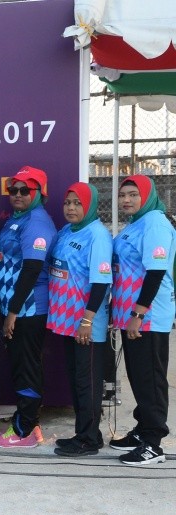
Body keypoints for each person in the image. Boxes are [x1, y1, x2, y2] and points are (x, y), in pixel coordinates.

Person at [108, 174, 176, 466]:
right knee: (138, 376)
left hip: (147, 316)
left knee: (150, 379)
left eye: (133, 194)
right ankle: (142, 428)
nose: (126, 200)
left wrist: (138, 313)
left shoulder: (155, 223)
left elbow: (155, 272)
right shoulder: (136, 223)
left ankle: (153, 443)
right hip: (131, 316)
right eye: (123, 195)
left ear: (147, 196)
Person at [0, 166, 56, 448]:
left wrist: (13, 312)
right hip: (14, 310)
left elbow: (31, 270)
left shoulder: (37, 222)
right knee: (22, 367)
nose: (17, 194)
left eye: (25, 190)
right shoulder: (18, 218)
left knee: (26, 369)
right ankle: (29, 422)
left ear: (38, 193)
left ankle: (23, 430)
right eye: (13, 189)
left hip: (27, 310)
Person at [48, 182, 113, 457]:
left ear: (90, 205)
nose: (71, 208)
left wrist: (87, 321)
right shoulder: (66, 231)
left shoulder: (98, 235)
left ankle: (88, 441)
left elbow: (101, 282)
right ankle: (85, 434)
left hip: (87, 325)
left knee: (88, 383)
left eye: (77, 203)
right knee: (77, 382)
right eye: (68, 203)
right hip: (67, 322)